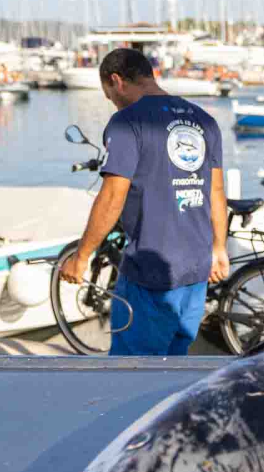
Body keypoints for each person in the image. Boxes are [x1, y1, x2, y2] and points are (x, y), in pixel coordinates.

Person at [58, 48, 229, 355]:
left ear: (116, 80)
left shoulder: (127, 122)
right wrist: (218, 249)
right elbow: (216, 191)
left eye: (109, 95)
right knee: (172, 369)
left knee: (131, 373)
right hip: (196, 269)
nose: (112, 102)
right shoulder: (204, 120)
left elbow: (112, 195)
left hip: (150, 272)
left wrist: (82, 256)